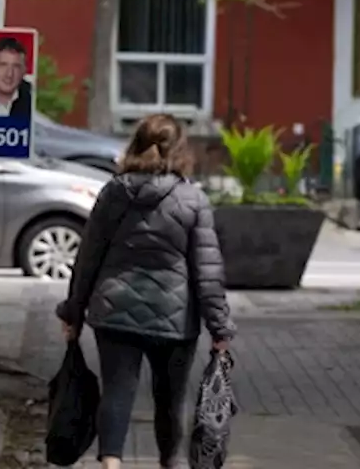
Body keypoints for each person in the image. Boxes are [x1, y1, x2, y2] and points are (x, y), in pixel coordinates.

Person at [56, 113, 234, 469]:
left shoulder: (114, 192)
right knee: (171, 400)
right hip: (175, 319)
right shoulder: (192, 200)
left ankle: (110, 464)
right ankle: (173, 462)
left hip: (114, 311)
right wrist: (220, 326)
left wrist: (72, 311)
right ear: (181, 150)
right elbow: (207, 271)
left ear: (135, 144)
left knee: (117, 394)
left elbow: (88, 256)